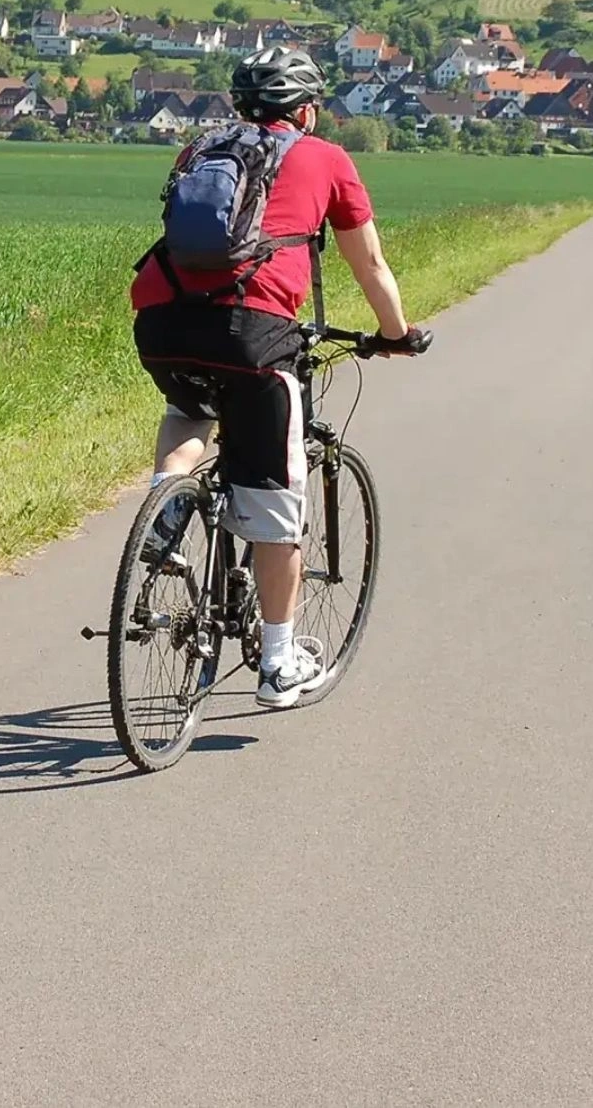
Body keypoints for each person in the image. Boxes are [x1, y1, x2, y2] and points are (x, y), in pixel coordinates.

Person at [129, 45, 419, 709]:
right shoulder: (327, 158)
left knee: (190, 407)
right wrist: (397, 333)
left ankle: (167, 501)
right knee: (276, 506)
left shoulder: (202, 148)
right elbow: (369, 264)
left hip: (162, 321)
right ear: (307, 110)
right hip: (252, 336)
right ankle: (279, 664)